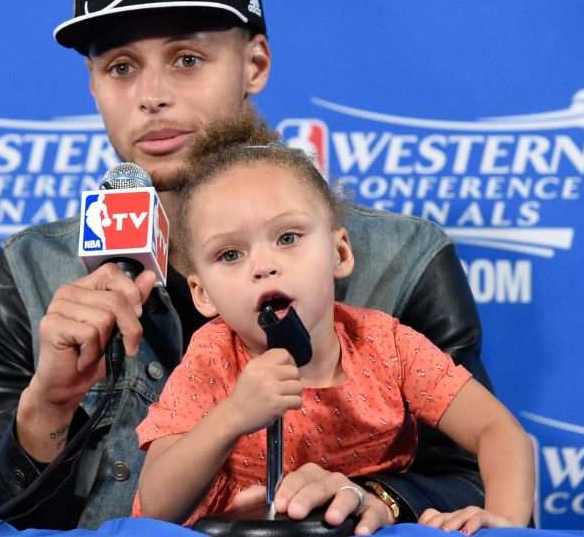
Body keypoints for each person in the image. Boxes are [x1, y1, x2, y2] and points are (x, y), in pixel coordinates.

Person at [0, 0, 495, 532]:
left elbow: (475, 474)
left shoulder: (403, 258)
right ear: (95, 85)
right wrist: (47, 408)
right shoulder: (31, 272)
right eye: (122, 68)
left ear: (254, 64)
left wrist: (377, 498)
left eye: (187, 58)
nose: (151, 95)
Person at [133, 118, 535, 534]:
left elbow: (499, 431)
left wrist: (504, 524)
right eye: (230, 255)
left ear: (340, 252)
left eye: (287, 237)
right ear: (203, 294)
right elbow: (158, 504)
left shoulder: (388, 344)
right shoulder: (212, 357)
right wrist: (231, 416)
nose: (263, 266)